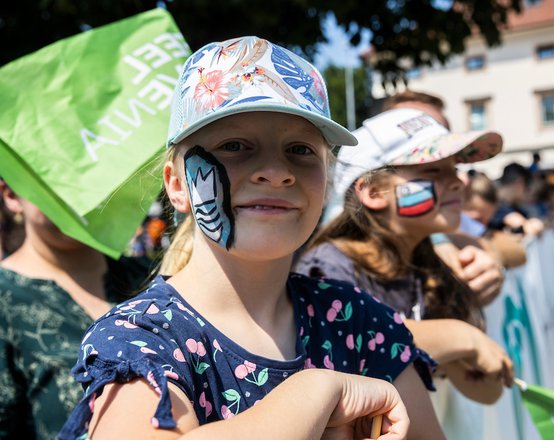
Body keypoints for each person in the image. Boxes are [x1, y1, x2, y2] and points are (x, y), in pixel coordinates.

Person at [60, 37, 443, 439]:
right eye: (235, 146)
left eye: (300, 149)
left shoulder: (358, 320)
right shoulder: (138, 338)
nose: (276, 172)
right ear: (177, 186)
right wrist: (318, 389)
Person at [295, 108, 515, 405]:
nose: (459, 181)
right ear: (373, 192)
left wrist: (461, 343)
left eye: (454, 168)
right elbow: (346, 344)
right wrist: (460, 337)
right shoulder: (327, 269)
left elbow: (486, 391)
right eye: (434, 170)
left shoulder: (430, 269)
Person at [0, 180, 152, 439]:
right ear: (12, 194)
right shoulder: (6, 298)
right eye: (53, 180)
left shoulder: (151, 277)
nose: (73, 195)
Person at [383, 90, 510, 306]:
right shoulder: (336, 261)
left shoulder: (446, 212)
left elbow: (512, 249)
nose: (459, 182)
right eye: (431, 169)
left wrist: (487, 261)